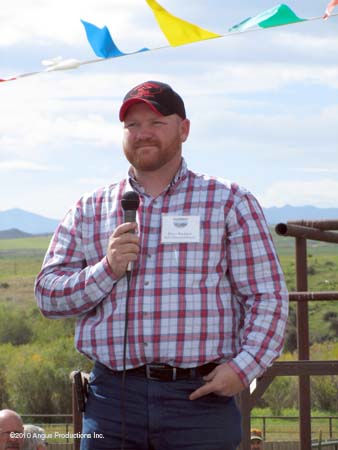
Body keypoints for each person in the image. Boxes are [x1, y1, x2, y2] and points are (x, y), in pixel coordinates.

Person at [35, 80, 288, 450]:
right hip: (112, 399)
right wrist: (107, 268)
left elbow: (268, 296)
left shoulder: (230, 201)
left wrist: (243, 368)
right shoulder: (89, 209)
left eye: (156, 122)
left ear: (183, 129)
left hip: (200, 399)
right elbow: (47, 297)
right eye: (132, 125)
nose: (143, 134)